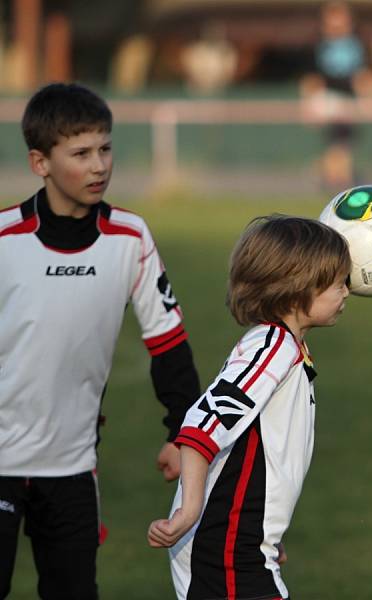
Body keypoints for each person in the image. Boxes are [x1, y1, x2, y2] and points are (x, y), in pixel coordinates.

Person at [0, 83, 201, 599]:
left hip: (72, 467)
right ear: (39, 162)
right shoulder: (4, 239)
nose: (99, 166)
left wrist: (182, 431)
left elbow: (168, 343)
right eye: (81, 153)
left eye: (105, 149)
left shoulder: (130, 238)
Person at [148, 215, 351, 600]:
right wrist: (189, 510)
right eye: (337, 281)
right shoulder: (272, 348)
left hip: (241, 545)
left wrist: (271, 532)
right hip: (224, 551)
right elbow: (202, 423)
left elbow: (264, 455)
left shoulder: (286, 348)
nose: (346, 292)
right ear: (296, 291)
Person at [300, 1, 372, 189]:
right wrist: (308, 103)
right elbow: (311, 79)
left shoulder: (358, 43)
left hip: (349, 100)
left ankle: (335, 176)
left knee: (344, 142)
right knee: (338, 141)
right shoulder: (316, 43)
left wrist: (368, 100)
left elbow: (363, 76)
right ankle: (337, 178)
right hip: (328, 98)